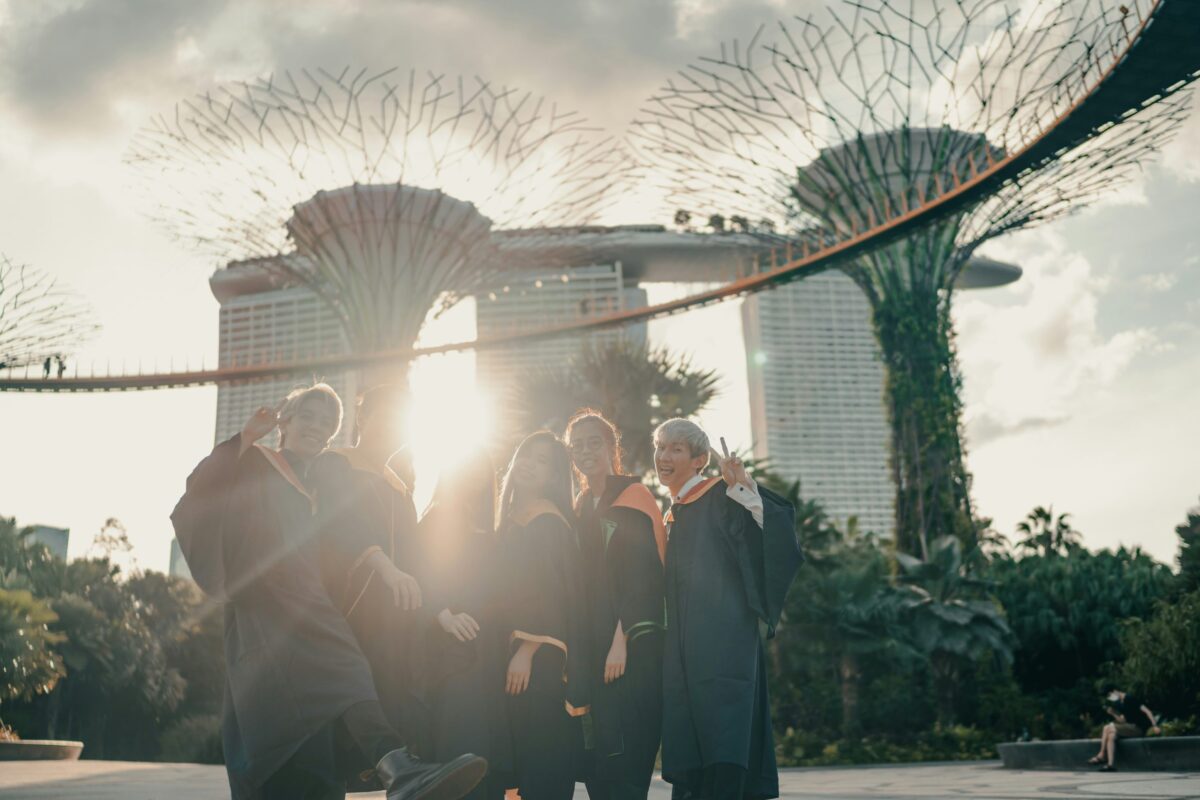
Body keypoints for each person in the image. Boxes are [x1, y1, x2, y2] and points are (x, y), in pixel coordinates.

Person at [171, 382, 486, 800]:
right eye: (308, 417)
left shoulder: (323, 484)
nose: (317, 427)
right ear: (286, 421)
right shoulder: (258, 463)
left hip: (307, 605)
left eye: (327, 422)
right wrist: (248, 436)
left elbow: (355, 535)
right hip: (267, 609)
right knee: (337, 676)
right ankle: (399, 770)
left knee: (323, 720)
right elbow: (201, 490)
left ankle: (399, 770)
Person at [653, 418, 801, 800]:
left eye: (675, 449)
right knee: (693, 756)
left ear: (700, 458)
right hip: (685, 656)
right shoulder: (673, 512)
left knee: (723, 747)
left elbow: (771, 534)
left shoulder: (721, 495)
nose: (663, 456)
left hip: (724, 652)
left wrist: (743, 486)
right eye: (660, 447)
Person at [310, 384, 429, 757]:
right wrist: (384, 567)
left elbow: (418, 558)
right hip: (347, 606)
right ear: (363, 417)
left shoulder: (402, 487)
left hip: (393, 624)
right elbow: (341, 522)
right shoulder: (335, 463)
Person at [565, 410, 666, 800]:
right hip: (592, 651)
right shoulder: (579, 506)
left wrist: (621, 640)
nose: (585, 450)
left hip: (628, 649)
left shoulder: (633, 497)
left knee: (624, 759)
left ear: (611, 447)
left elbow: (644, 575)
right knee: (598, 765)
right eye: (577, 445)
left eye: (594, 442)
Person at [497, 431, 590, 800]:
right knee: (521, 756)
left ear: (554, 477)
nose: (530, 465)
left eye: (542, 462)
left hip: (539, 657)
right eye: (526, 455)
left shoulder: (549, 523)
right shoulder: (508, 517)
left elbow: (555, 593)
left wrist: (528, 649)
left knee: (541, 756)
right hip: (512, 652)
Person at [417, 452, 514, 800]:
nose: (473, 477)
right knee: (458, 752)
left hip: (491, 655)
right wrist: (443, 614)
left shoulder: (494, 527)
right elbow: (419, 572)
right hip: (454, 653)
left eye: (480, 471)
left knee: (488, 757)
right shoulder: (438, 518)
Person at [1090, 687, 1161, 771]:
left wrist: (1155, 726)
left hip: (1138, 728)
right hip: (1129, 728)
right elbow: (1123, 721)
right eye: (1108, 696)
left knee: (1107, 727)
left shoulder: (1130, 698)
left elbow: (1147, 711)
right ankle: (1110, 765)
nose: (1110, 697)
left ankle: (1101, 754)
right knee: (1111, 735)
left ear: (1115, 691)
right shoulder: (1119, 703)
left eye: (1110, 695)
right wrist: (1113, 714)